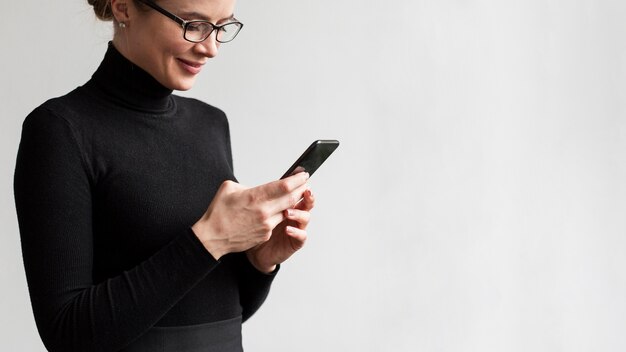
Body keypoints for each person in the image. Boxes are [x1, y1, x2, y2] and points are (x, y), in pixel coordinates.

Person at [13, 0, 314, 351]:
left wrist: (260, 262)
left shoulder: (211, 124)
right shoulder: (60, 131)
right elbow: (67, 335)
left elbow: (219, 317)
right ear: (123, 7)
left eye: (222, 27)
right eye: (194, 24)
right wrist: (211, 238)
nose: (211, 48)